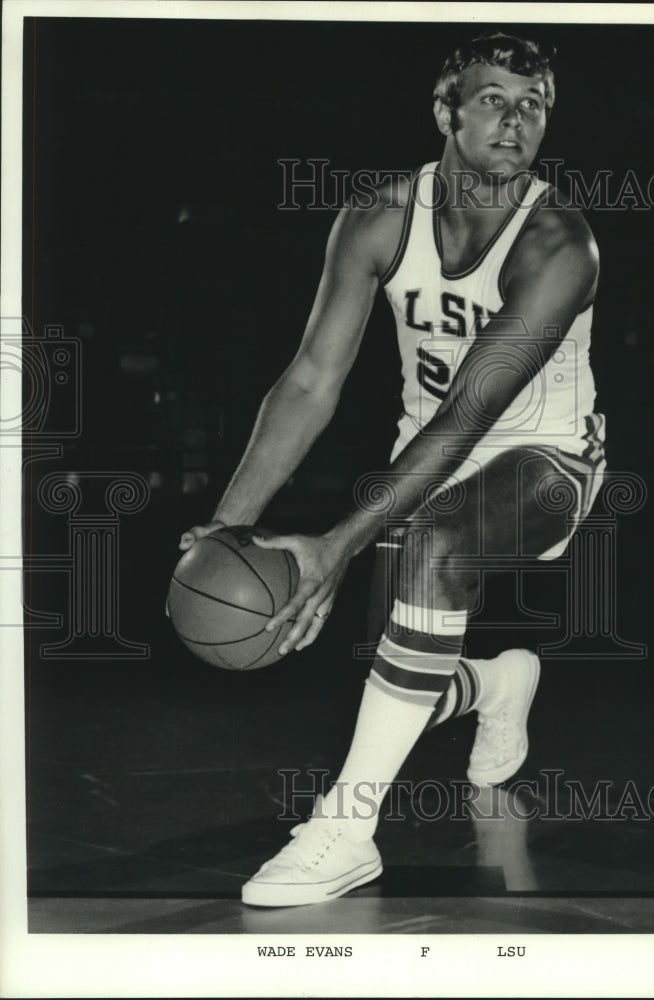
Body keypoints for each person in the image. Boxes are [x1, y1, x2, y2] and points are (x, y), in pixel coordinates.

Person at [179, 31, 606, 907]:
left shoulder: (560, 243)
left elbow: (468, 416)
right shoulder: (377, 217)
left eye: (533, 105)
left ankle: (346, 828)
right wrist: (230, 523)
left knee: (439, 548)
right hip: (428, 463)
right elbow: (311, 378)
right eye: (492, 99)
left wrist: (336, 545)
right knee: (392, 670)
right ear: (445, 111)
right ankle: (498, 683)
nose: (515, 120)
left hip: (548, 460)